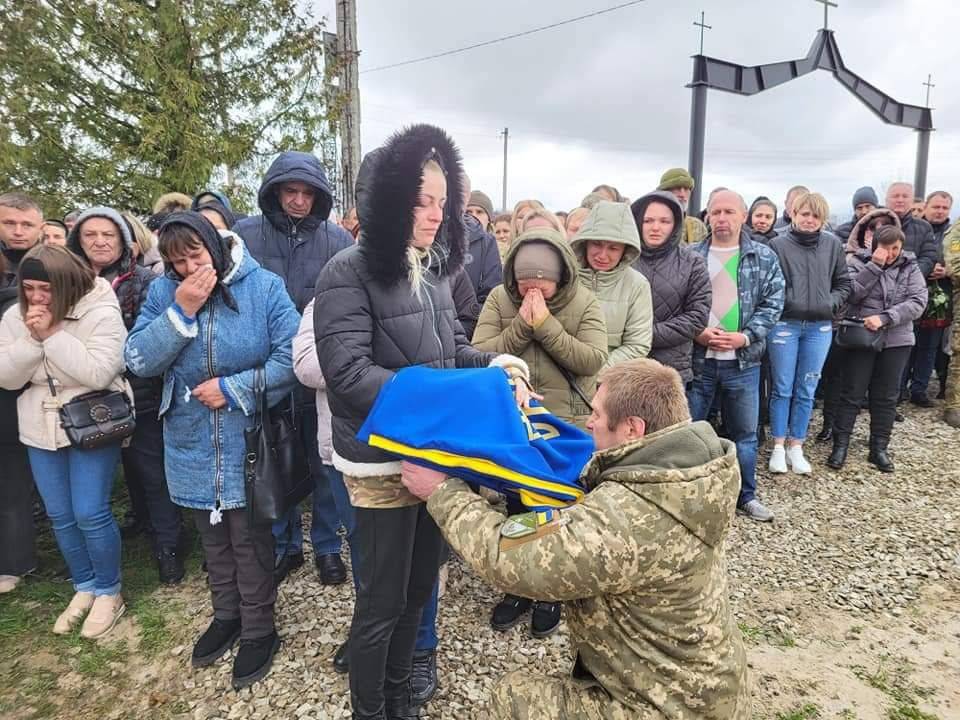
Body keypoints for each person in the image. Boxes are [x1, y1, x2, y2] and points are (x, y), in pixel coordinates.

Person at [313, 124, 529, 720]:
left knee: (416, 593)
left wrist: (494, 365)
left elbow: (450, 348)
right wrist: (459, 391)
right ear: (387, 201)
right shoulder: (345, 272)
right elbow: (349, 376)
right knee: (379, 604)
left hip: (433, 458)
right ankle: (370, 709)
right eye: (420, 201)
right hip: (382, 463)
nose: (434, 215)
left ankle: (402, 698)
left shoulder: (433, 269)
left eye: (441, 202)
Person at [399, 358, 751, 720]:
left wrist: (443, 492)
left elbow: (509, 559)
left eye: (596, 413)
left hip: (669, 705)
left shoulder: (626, 517)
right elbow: (560, 525)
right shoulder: (685, 476)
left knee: (513, 698)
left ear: (632, 428)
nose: (589, 422)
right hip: (705, 684)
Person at [124, 211, 300, 689]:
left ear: (216, 247)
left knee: (249, 538)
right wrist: (180, 310)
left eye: (195, 256)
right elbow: (137, 358)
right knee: (213, 537)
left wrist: (236, 387)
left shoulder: (263, 287)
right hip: (190, 435)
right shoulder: (164, 291)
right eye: (176, 261)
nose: (186, 268)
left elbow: (292, 356)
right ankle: (227, 615)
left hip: (247, 437)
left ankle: (260, 628)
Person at [474, 225, 607, 643]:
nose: (533, 292)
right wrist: (521, 328)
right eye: (525, 283)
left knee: (555, 506)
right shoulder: (499, 299)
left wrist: (546, 325)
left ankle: (549, 592)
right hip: (514, 419)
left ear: (561, 277)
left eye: (543, 284)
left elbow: (592, 360)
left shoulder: (584, 302)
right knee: (517, 502)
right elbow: (481, 351)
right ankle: (517, 585)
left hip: (562, 420)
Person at [233, 150, 356, 587]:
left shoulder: (338, 241)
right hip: (264, 365)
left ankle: (325, 545)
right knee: (274, 458)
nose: (299, 201)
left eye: (307, 193)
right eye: (291, 191)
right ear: (275, 191)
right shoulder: (245, 234)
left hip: (318, 362)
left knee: (324, 461)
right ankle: (284, 545)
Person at [0, 245, 129, 638]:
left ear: (66, 284)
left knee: (90, 511)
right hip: (39, 427)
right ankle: (84, 585)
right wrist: (32, 341)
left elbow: (98, 372)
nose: (37, 298)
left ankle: (109, 590)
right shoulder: (13, 317)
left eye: (46, 289)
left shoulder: (102, 312)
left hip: (92, 422)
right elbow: (7, 377)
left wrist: (52, 335)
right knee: (60, 513)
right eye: (30, 288)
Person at [67, 207, 185, 584]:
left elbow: (148, 337)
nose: (100, 241)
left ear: (123, 242)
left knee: (152, 471)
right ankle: (136, 523)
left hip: (137, 391)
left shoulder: (144, 282)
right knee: (122, 472)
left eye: (108, 235)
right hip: (82, 393)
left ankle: (169, 544)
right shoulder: (66, 283)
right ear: (77, 242)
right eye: (91, 235)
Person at [689, 191, 785, 523]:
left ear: (743, 215)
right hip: (699, 361)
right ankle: (690, 498)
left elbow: (774, 303)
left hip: (743, 363)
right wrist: (697, 331)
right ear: (707, 217)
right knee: (689, 433)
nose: (722, 217)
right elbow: (679, 303)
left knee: (744, 433)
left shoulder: (763, 256)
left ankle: (747, 496)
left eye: (729, 211)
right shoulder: (691, 256)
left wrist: (745, 336)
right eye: (715, 211)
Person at [826, 225, 926, 472]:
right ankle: (840, 445)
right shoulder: (858, 262)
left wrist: (886, 317)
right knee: (852, 393)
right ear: (874, 246)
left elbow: (917, 301)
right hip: (862, 338)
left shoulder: (910, 267)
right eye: (886, 248)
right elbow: (852, 295)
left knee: (886, 397)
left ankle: (879, 448)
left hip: (897, 339)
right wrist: (874, 266)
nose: (891, 253)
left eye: (895, 248)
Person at [767, 192, 852, 474]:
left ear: (822, 219)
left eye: (816, 215)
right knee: (782, 387)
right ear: (793, 213)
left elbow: (843, 283)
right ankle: (778, 445)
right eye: (805, 213)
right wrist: (788, 302)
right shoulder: (777, 244)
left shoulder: (832, 244)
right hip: (785, 325)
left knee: (806, 388)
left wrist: (830, 303)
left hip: (819, 327)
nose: (809, 220)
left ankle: (797, 445)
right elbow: (770, 284)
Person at [817, 208, 900, 442]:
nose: (878, 232)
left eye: (885, 227)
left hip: (883, 330)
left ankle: (871, 438)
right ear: (864, 231)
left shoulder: (903, 262)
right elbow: (852, 293)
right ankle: (830, 424)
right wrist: (874, 265)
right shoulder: (849, 257)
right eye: (874, 228)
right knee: (836, 377)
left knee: (872, 385)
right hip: (844, 325)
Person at [630, 191, 711, 386]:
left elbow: (697, 317)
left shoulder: (692, 262)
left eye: (664, 221)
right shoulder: (624, 259)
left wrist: (645, 334)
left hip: (671, 370)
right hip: (626, 367)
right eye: (648, 220)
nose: (655, 227)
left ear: (675, 224)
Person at [569, 200, 653, 365]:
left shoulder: (637, 284)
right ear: (584, 243)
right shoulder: (565, 276)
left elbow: (637, 344)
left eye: (613, 248)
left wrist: (594, 373)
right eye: (596, 244)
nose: (602, 255)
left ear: (625, 251)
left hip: (608, 381)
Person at [0, 250, 37, 595]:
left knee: (11, 490)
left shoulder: (14, 304)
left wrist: (35, 337)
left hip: (12, 411)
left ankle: (14, 562)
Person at [910, 191, 955, 405]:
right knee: (908, 345)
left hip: (941, 298)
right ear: (926, 206)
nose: (939, 211)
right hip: (912, 295)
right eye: (936, 207)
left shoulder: (953, 233)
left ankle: (919, 390)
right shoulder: (916, 229)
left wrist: (948, 272)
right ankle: (899, 390)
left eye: (944, 208)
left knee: (929, 348)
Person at [461, 176, 503, 307]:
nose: (473, 215)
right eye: (468, 211)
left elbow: (491, 293)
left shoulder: (489, 244)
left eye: (479, 212)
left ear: (489, 218)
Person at [885, 182, 938, 278]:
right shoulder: (874, 225)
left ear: (912, 201)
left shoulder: (924, 227)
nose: (900, 200)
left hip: (912, 287)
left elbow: (928, 258)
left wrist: (907, 277)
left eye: (905, 196)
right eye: (895, 196)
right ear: (886, 200)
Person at [657, 168, 708, 244]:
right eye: (677, 188)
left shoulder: (697, 226)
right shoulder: (651, 224)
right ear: (664, 192)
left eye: (687, 189)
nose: (682, 194)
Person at [0, 192, 45, 274]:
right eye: (10, 223)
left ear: (41, 228)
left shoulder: (57, 264)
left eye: (27, 225)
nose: (18, 232)